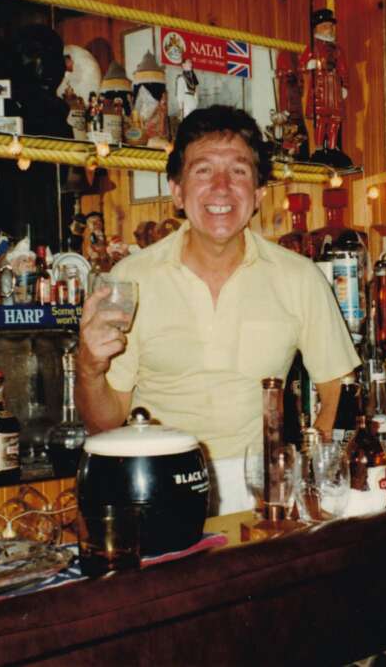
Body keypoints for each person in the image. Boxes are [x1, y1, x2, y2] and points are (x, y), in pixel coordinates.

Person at [76, 105, 359, 515]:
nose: (222, 187)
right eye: (203, 170)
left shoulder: (299, 278)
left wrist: (313, 476)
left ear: (259, 194)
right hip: (156, 488)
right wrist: (88, 368)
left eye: (240, 171)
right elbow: (104, 424)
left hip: (263, 493)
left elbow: (340, 389)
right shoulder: (131, 278)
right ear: (176, 190)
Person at [298, 9, 351, 167]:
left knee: (334, 120)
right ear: (317, 28)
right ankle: (320, 148)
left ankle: (333, 147)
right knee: (321, 120)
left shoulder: (337, 50)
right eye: (326, 26)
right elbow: (301, 65)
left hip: (334, 88)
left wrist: (345, 86)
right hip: (320, 89)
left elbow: (343, 69)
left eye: (331, 26)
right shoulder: (313, 47)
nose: (329, 29)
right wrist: (309, 65)